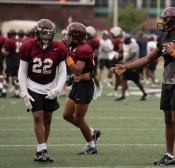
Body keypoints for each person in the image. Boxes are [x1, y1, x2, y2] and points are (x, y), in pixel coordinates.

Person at [112, 7, 175, 167]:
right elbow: (148, 58)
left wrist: (174, 53)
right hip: (167, 81)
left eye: (166, 19)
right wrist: (126, 67)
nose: (163, 22)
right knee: (168, 120)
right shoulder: (164, 36)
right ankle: (169, 155)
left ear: (173, 22)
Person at [18, 19, 67, 162]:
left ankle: (41, 148)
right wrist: (24, 91)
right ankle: (42, 148)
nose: (46, 36)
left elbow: (63, 70)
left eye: (49, 34)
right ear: (37, 33)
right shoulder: (27, 45)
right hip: (33, 84)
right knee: (38, 116)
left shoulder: (59, 47)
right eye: (44, 33)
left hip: (50, 86)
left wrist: (58, 88)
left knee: (48, 118)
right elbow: (22, 71)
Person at [62, 22, 101, 155]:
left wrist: (66, 58)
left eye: (70, 35)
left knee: (79, 118)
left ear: (76, 36)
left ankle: (91, 145)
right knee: (66, 115)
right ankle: (92, 132)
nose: (67, 37)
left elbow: (78, 70)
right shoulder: (75, 47)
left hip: (85, 86)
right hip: (77, 84)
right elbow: (77, 71)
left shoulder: (84, 48)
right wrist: (72, 78)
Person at [115, 34, 148, 101]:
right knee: (123, 80)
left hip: (133, 66)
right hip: (126, 66)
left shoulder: (134, 45)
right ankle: (123, 95)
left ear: (128, 39)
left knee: (137, 81)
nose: (124, 42)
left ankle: (144, 93)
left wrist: (124, 60)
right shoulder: (126, 45)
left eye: (125, 40)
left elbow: (133, 54)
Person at [96, 30, 114, 97]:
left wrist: (109, 48)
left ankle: (108, 79)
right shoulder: (100, 41)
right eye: (104, 35)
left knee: (111, 69)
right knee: (100, 71)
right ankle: (99, 82)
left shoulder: (108, 41)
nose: (105, 36)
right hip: (102, 57)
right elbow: (101, 49)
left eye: (105, 35)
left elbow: (111, 48)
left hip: (108, 57)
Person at [0, 30, 6, 97]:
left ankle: (1, 88)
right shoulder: (3, 39)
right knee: (2, 72)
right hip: (1, 56)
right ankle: (2, 88)